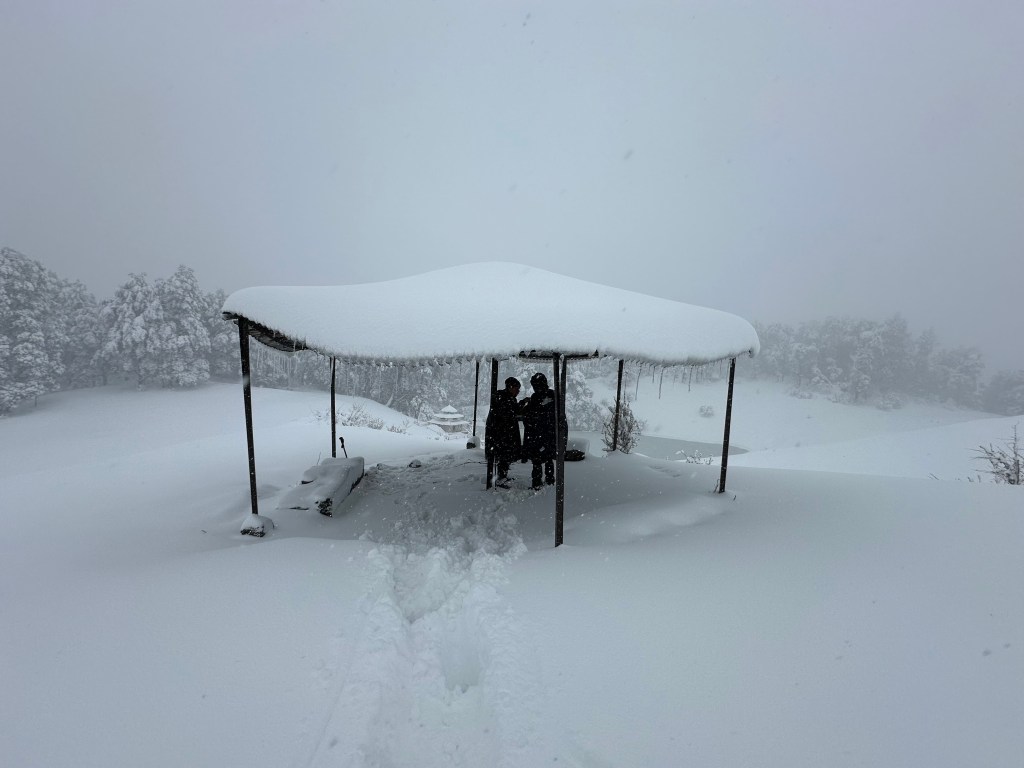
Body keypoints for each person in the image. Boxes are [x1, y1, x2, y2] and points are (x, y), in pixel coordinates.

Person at [520, 371, 567, 490]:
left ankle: (540, 482)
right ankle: (547, 482)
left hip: (542, 433)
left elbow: (532, 414)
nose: (535, 388)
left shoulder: (545, 396)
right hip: (546, 433)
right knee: (546, 459)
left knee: (540, 459)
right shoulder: (551, 395)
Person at [484, 376, 522, 488]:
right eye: (516, 388)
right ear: (510, 388)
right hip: (500, 434)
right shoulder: (502, 398)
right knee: (503, 455)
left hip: (505, 433)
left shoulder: (507, 398)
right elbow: (508, 414)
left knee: (505, 456)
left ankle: (503, 476)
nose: (518, 391)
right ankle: (500, 478)